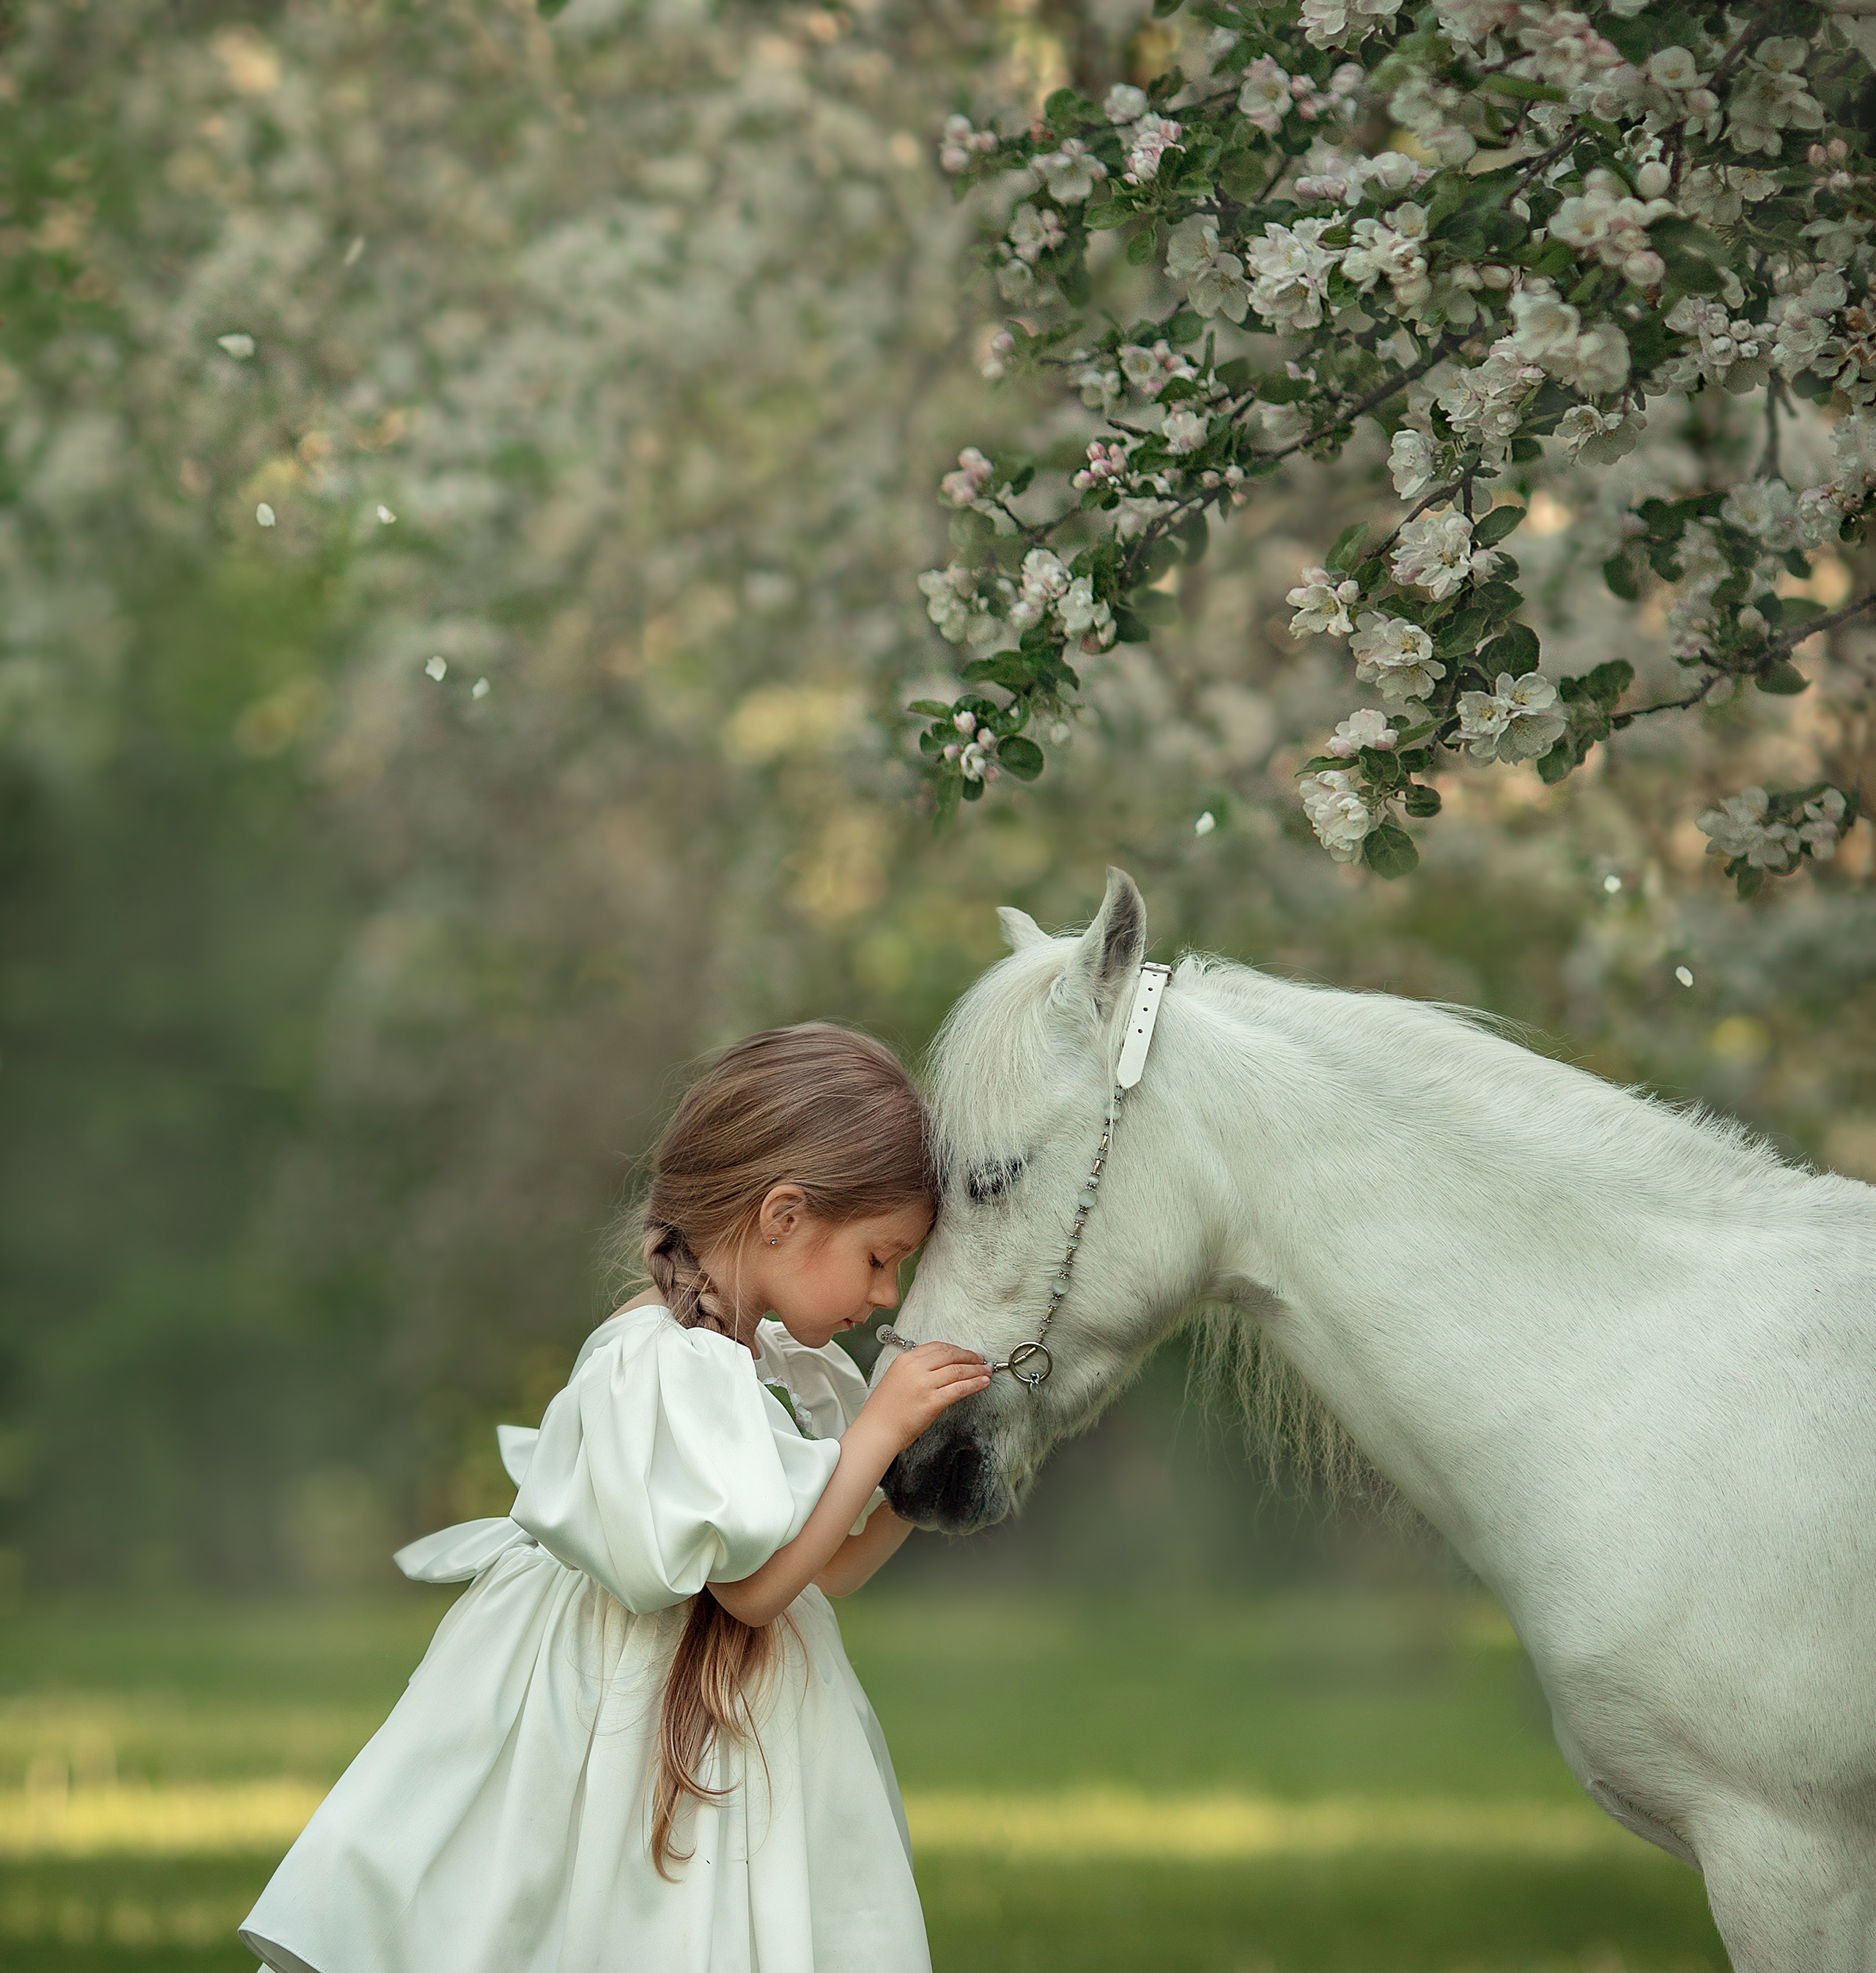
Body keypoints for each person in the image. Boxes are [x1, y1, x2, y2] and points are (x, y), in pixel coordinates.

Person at [240, 1023, 990, 1973]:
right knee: (611, 1918)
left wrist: (918, 1487)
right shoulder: (657, 1360)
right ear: (784, 1216)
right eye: (880, 1257)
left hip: (739, 1716)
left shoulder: (763, 1363)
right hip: (618, 1707)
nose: (886, 1294)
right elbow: (750, 1594)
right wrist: (876, 1432)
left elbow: (822, 1568)